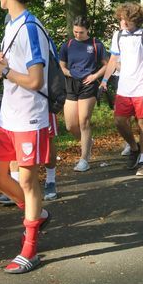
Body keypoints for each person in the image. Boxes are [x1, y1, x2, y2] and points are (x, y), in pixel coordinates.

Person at [0, 0, 53, 274]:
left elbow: (36, 80)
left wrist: (6, 71)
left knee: (27, 180)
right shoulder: (10, 23)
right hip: (8, 115)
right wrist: (0, 69)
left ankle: (30, 248)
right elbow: (15, 68)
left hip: (29, 117)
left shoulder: (28, 27)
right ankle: (35, 213)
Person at [100, 2, 143, 176]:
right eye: (121, 19)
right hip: (124, 88)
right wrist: (104, 80)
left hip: (142, 87)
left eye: (126, 19)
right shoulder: (118, 35)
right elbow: (113, 59)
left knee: (142, 124)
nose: (123, 22)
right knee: (119, 121)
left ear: (136, 20)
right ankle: (134, 148)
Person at [59, 16, 108, 172]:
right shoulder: (67, 45)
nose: (77, 35)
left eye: (81, 32)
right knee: (70, 125)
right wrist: (67, 73)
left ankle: (84, 159)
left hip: (89, 84)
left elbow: (107, 65)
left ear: (87, 30)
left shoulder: (96, 44)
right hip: (72, 84)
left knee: (83, 121)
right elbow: (62, 65)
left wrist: (95, 76)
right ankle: (88, 142)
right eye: (75, 31)